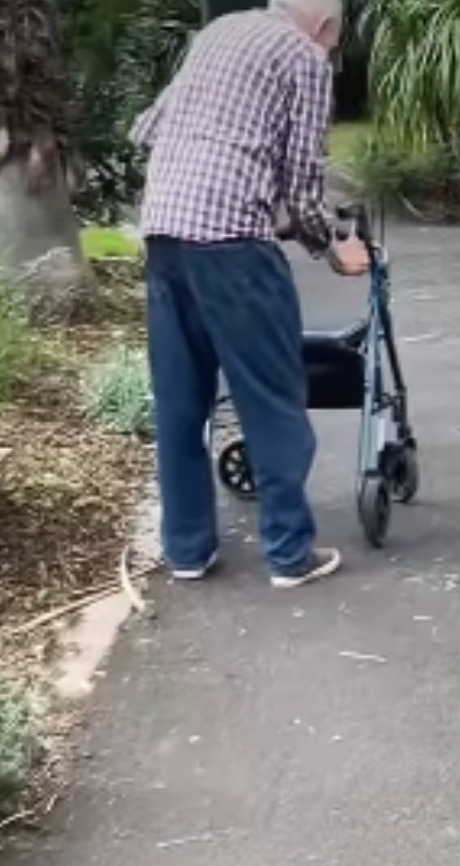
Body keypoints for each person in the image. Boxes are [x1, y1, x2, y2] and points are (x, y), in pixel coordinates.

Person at [130, 0, 370, 588]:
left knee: (181, 404)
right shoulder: (305, 57)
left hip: (164, 233)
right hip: (233, 246)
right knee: (273, 397)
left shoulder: (219, 31)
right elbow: (303, 179)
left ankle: (186, 551)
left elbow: (146, 128)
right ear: (324, 28)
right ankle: (289, 554)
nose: (332, 54)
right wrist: (332, 249)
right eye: (335, 43)